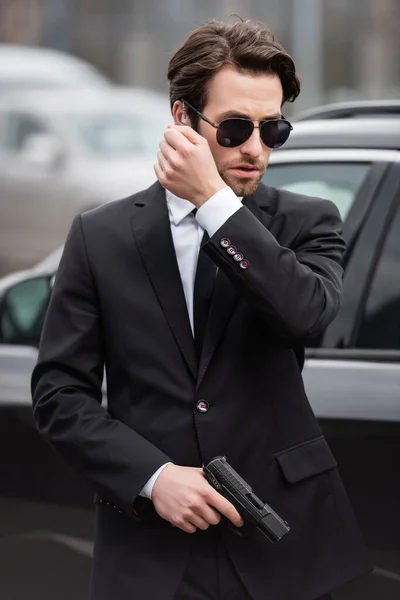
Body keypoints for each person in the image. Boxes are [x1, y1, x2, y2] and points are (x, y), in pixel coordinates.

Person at [31, 18, 371, 600]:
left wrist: (214, 204)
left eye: (274, 130)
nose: (256, 149)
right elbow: (60, 395)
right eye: (237, 128)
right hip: (151, 556)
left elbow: (304, 314)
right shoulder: (100, 235)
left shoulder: (309, 221)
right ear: (183, 119)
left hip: (284, 549)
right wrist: (152, 477)